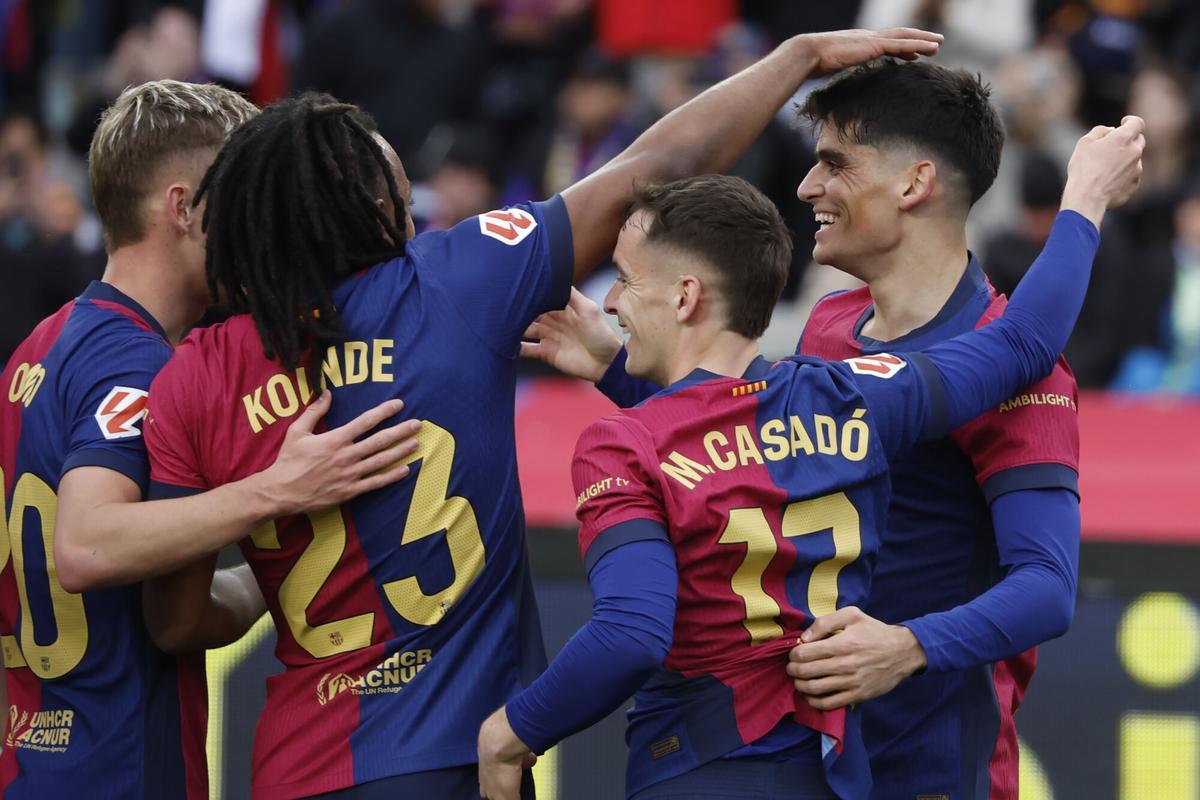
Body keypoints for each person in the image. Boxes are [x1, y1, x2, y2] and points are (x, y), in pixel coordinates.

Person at [140, 28, 947, 800]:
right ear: (373, 209)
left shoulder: (192, 377)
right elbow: (662, 162)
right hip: (455, 754)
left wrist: (265, 576)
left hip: (296, 767)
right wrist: (797, 58)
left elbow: (177, 624)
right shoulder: (459, 279)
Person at [484, 120, 1143, 800]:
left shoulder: (622, 443)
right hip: (829, 769)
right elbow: (1025, 342)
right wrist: (1085, 200)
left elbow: (630, 630)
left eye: (622, 279)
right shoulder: (842, 394)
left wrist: (509, 734)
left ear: (686, 296)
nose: (613, 299)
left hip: (709, 759)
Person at [0, 80, 418, 799]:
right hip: (121, 768)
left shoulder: (37, 352)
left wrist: (278, 572)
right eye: (245, 194)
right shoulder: (135, 364)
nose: (264, 219)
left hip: (31, 762)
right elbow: (87, 545)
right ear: (183, 207)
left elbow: (170, 609)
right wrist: (278, 491)